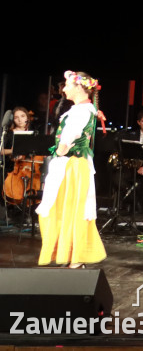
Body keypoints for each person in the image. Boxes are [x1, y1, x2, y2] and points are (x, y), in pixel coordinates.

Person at [36, 70, 107, 267]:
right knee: (67, 208)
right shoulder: (83, 109)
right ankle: (70, 254)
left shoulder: (81, 111)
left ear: (79, 87)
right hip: (74, 165)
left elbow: (71, 135)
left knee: (70, 208)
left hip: (72, 165)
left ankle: (75, 257)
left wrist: (60, 150)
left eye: (67, 85)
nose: (64, 89)